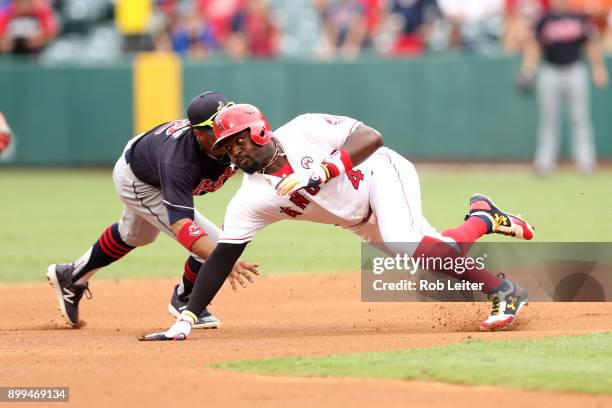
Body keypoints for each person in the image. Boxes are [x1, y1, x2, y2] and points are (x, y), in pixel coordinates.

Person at [140, 103, 536, 341]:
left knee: (404, 241)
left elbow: (372, 137)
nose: (236, 151)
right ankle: (484, 216)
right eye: (227, 147)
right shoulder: (251, 199)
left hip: (380, 175)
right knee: (433, 254)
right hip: (355, 218)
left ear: (260, 131)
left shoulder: (303, 129)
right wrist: (188, 318)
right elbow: (223, 257)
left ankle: (505, 291)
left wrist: (325, 171)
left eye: (240, 140)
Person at [46, 92, 260, 329]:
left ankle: (71, 276)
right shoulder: (180, 162)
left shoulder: (236, 135)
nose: (224, 133)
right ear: (198, 133)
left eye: (225, 124)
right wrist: (223, 262)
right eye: (215, 130)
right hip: (141, 181)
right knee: (214, 245)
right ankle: (185, 299)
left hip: (148, 154)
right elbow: (182, 225)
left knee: (136, 236)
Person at [517, 0, 609, 175]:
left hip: (575, 69)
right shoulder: (545, 19)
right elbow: (534, 46)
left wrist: (598, 68)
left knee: (580, 117)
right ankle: (545, 163)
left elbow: (590, 44)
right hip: (550, 70)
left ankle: (586, 162)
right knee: (549, 118)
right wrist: (528, 70)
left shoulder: (579, 17)